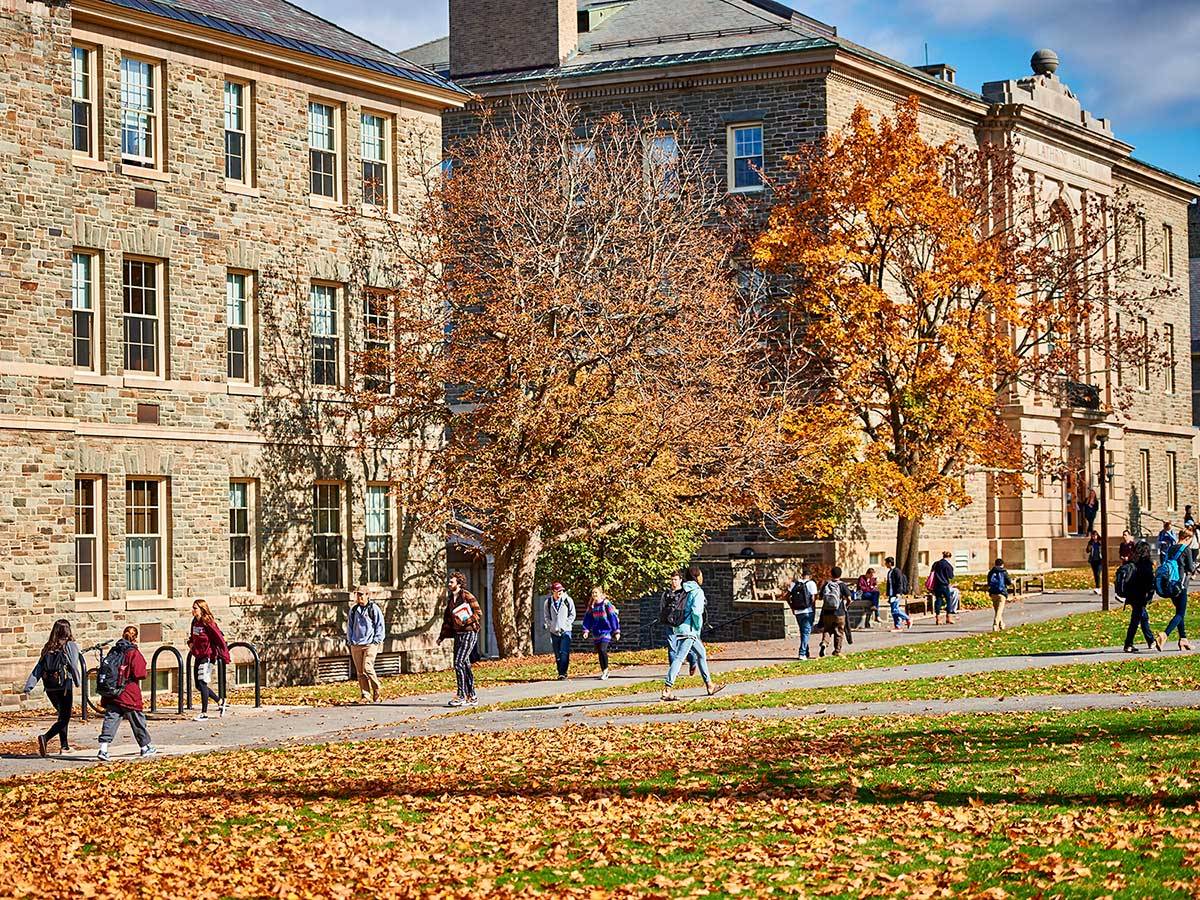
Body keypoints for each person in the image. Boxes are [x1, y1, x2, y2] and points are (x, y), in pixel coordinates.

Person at [661, 566, 722, 701]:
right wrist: (698, 627)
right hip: (689, 630)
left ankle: (710, 685)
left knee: (701, 654)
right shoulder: (697, 591)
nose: (702, 577)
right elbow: (696, 612)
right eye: (700, 574)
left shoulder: (683, 588)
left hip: (680, 628)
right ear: (696, 576)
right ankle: (667, 689)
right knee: (679, 658)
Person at [97, 626, 156, 762]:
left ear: (122, 635)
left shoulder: (114, 650)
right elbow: (140, 673)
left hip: (112, 693)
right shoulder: (133, 652)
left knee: (111, 720)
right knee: (137, 720)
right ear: (135, 637)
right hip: (128, 692)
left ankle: (103, 748)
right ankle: (145, 747)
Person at [24, 619, 82, 757]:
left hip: (50, 687)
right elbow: (73, 665)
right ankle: (45, 738)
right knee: (65, 717)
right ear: (68, 630)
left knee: (62, 716)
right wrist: (77, 681)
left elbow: (38, 668)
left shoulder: (48, 647)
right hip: (64, 686)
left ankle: (65, 746)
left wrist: (29, 685)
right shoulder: (70, 645)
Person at [438, 571, 483, 707]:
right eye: (449, 582)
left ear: (459, 583)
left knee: (459, 662)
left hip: (469, 633)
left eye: (451, 582)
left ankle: (461, 696)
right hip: (458, 634)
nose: (449, 584)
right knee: (465, 664)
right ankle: (472, 696)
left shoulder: (466, 595)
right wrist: (442, 636)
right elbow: (447, 620)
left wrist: (465, 621)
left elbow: (478, 613)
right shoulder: (451, 599)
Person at [186, 599, 230, 721]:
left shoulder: (208, 622)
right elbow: (193, 637)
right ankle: (220, 701)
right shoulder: (195, 621)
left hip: (207, 656)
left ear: (202, 609)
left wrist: (224, 655)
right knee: (199, 685)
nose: (193, 610)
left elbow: (219, 639)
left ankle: (204, 713)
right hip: (198, 655)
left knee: (202, 682)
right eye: (193, 607)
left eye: (195, 608)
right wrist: (190, 643)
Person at [346, 589, 385, 703]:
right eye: (357, 594)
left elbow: (379, 625)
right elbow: (350, 626)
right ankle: (365, 696)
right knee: (360, 672)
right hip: (356, 643)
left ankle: (377, 688)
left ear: (367, 595)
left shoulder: (374, 608)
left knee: (367, 667)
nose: (359, 597)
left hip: (370, 643)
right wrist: (350, 640)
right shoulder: (354, 610)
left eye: (361, 594)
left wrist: (377, 640)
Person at [1123, 541, 1162, 653]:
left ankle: (1150, 641)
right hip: (1140, 595)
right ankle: (1128, 643)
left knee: (1143, 617)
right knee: (1136, 619)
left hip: (1131, 594)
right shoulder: (1146, 564)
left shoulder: (1132, 561)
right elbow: (1148, 581)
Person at [661, 572, 700, 675]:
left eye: (676, 580)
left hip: (682, 623)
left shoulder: (684, 592)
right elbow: (662, 607)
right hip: (670, 623)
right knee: (672, 647)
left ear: (680, 580)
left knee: (686, 647)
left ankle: (693, 661)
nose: (673, 582)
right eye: (672, 579)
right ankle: (675, 671)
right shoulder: (667, 593)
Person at [1163, 529, 1194, 651]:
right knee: (1181, 613)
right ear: (1187, 538)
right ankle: (1164, 634)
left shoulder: (1171, 548)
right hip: (1181, 585)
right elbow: (1190, 568)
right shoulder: (1186, 549)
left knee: (1178, 611)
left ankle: (1183, 640)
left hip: (1170, 584)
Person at [581, 588, 621, 680]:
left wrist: (616, 631)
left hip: (606, 631)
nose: (594, 594)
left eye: (596, 592)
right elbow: (588, 619)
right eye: (593, 593)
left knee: (603, 650)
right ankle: (604, 671)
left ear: (600, 594)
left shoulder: (606, 604)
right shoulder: (592, 606)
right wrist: (586, 630)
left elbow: (612, 617)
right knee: (599, 652)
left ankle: (606, 670)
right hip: (596, 632)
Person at [781, 566, 817, 659]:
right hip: (807, 611)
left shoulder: (794, 584)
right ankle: (802, 653)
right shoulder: (811, 583)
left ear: (802, 575)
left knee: (803, 632)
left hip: (797, 611)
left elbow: (786, 596)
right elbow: (813, 598)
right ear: (810, 576)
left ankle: (806, 652)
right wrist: (813, 609)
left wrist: (792, 607)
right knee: (806, 632)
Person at [542, 581, 576, 680]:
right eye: (557, 591)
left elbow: (572, 614)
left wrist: (566, 624)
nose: (559, 593)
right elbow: (546, 616)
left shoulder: (568, 600)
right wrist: (551, 625)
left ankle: (563, 673)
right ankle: (560, 672)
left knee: (564, 652)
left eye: (561, 591)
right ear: (553, 591)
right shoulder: (548, 602)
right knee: (557, 654)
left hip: (566, 631)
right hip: (554, 631)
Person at [818, 567, 851, 657]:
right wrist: (846, 605)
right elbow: (849, 599)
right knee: (839, 631)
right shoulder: (842, 585)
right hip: (839, 612)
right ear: (840, 574)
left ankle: (824, 643)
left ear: (831, 574)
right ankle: (837, 651)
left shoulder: (826, 584)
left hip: (827, 612)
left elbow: (820, 597)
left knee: (827, 629)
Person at [985, 558, 1014, 632]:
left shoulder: (991, 572)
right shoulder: (1004, 572)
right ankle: (995, 624)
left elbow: (988, 582)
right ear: (1002, 564)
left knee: (997, 610)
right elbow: (1009, 582)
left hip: (993, 593)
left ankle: (1002, 624)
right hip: (1001, 593)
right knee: (999, 610)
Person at [883, 557, 911, 631]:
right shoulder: (890, 572)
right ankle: (897, 626)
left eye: (886, 563)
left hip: (896, 593)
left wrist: (898, 592)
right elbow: (889, 584)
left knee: (895, 610)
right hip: (891, 594)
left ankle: (908, 618)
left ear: (889, 563)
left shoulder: (897, 571)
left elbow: (899, 582)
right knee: (893, 611)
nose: (885, 564)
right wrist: (888, 594)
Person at [931, 551, 955, 625]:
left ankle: (938, 618)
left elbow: (932, 572)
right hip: (944, 585)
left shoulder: (936, 563)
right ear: (949, 557)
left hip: (937, 585)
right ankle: (948, 617)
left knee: (938, 600)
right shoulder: (948, 565)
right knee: (948, 600)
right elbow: (951, 576)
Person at [1086, 531, 1104, 595]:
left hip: (1100, 560)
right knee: (1095, 574)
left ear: (1097, 535)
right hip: (1093, 560)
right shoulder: (1091, 542)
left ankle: (1098, 587)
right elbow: (1087, 551)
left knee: (1098, 573)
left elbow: (1103, 550)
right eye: (1092, 536)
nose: (1094, 537)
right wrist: (1090, 545)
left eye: (1095, 535)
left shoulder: (1100, 542)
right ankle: (1097, 587)